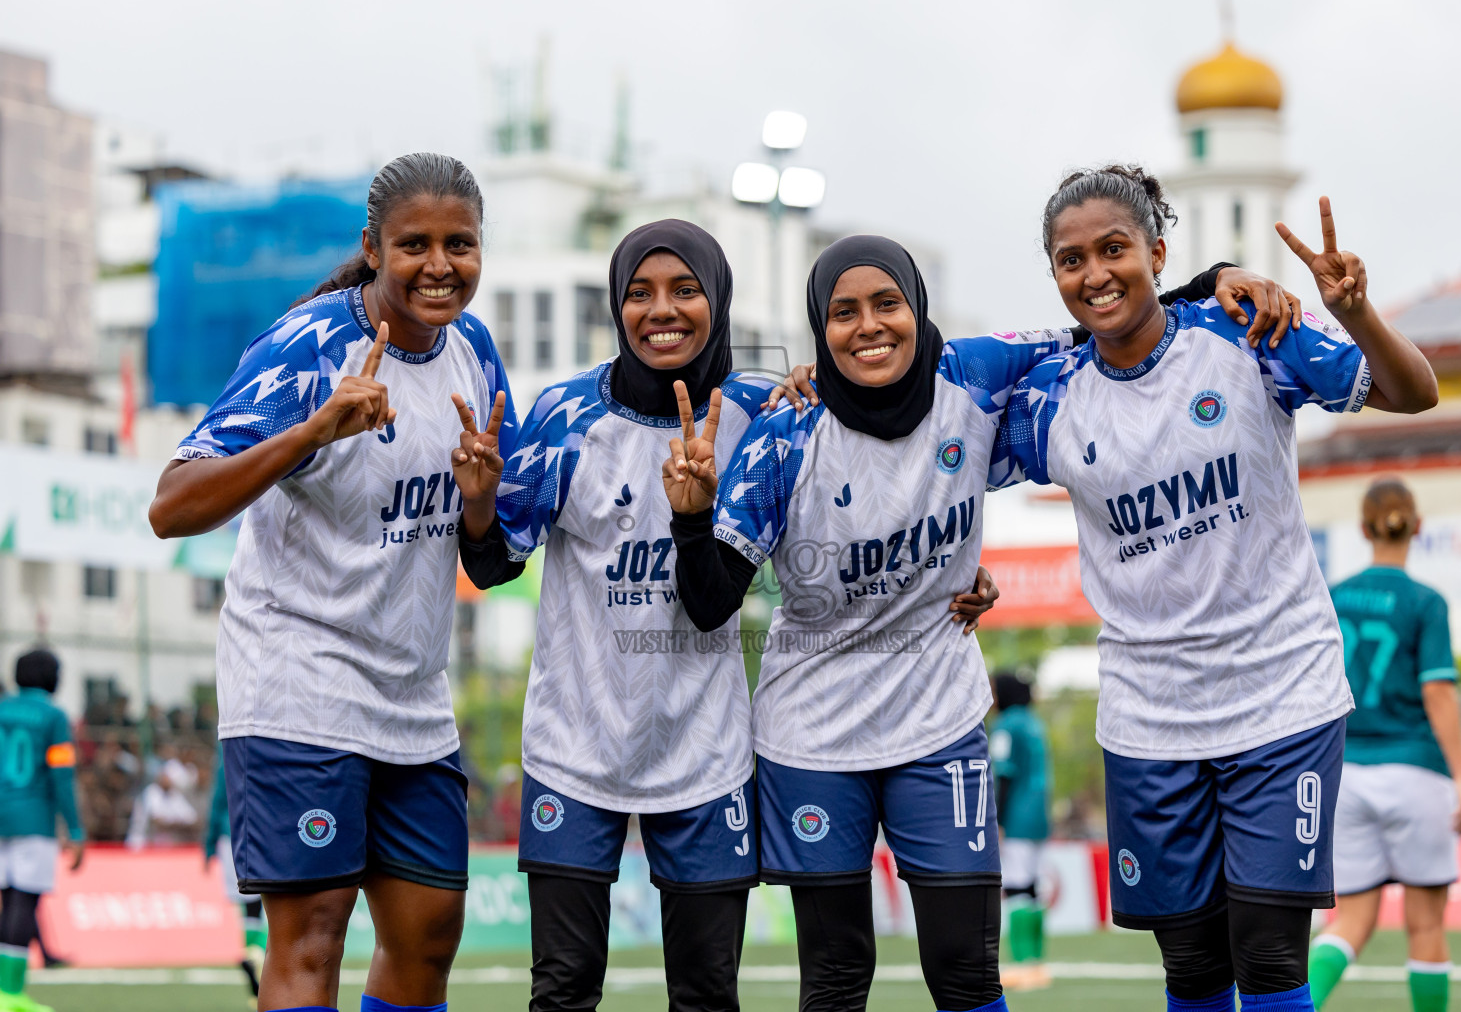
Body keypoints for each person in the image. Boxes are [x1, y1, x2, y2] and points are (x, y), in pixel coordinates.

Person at [662, 232, 1274, 1012]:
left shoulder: (975, 375)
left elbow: (1107, 318)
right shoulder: (787, 435)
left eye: (887, 304)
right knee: (838, 974)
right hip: (810, 737)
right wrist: (689, 521)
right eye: (843, 313)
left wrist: (1214, 279)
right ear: (820, 329)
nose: (869, 326)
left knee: (964, 971)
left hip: (938, 723)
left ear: (918, 309)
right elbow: (712, 601)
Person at [457, 219, 999, 1011]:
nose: (661, 310)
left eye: (685, 290)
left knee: (708, 994)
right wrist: (476, 508)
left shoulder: (767, 409)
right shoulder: (564, 414)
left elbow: (867, 482)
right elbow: (492, 562)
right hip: (575, 747)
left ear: (720, 299)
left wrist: (950, 570)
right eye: (639, 293)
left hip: (706, 755)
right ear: (615, 304)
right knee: (564, 987)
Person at [992, 166, 1439, 1012]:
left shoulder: (1246, 335)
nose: (1094, 275)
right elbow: (921, 440)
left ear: (1158, 252)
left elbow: (1415, 392)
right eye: (1070, 260)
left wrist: (1351, 313)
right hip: (1149, 721)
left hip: (1283, 700)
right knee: (1193, 970)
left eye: (1115, 249)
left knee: (1269, 959)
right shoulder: (1049, 396)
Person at [148, 151, 516, 1012]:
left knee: (429, 937)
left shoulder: (474, 351)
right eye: (414, 244)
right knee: (312, 937)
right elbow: (172, 505)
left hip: (413, 698)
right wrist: (313, 432)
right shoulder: (310, 344)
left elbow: (490, 557)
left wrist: (481, 499)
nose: (438, 265)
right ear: (373, 247)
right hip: (298, 682)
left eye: (459, 244)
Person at [1308, 480, 1461, 1012]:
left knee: (1349, 923)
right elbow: (1438, 692)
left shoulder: (1331, 596)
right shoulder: (1426, 602)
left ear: (1363, 528)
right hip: (1417, 772)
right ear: (1417, 527)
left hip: (1347, 775)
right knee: (1425, 926)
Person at [0, 649, 85, 1012]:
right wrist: (76, 830)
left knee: (7, 901)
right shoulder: (54, 716)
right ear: (51, 678)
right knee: (24, 900)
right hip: (33, 819)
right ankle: (10, 993)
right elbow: (61, 775)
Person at [989, 673, 1052, 988]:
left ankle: (1024, 965)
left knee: (1015, 886)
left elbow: (1004, 774)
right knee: (1032, 887)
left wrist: (997, 818)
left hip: (1017, 816)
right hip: (1039, 814)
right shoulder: (1033, 722)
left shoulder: (1006, 725)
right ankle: (1038, 962)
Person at [206, 748, 266, 1006]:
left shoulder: (226, 750)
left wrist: (208, 846)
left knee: (248, 906)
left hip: (229, 837)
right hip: (261, 833)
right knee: (267, 904)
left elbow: (218, 798)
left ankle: (252, 959)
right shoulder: (272, 746)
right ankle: (258, 956)